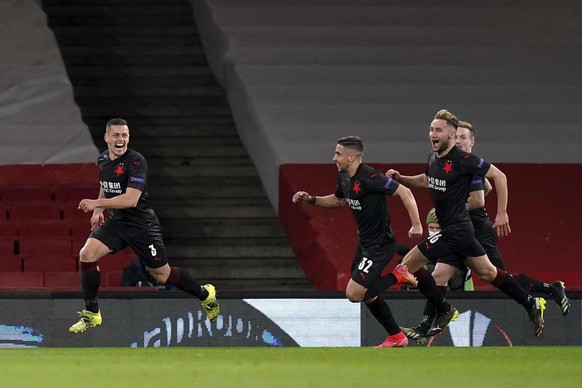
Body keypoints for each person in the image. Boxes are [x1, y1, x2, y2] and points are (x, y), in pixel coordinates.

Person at [402, 121, 570, 344]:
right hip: (457, 229)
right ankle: (424, 328)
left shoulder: (469, 165)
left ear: (471, 142)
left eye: (464, 138)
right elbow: (479, 188)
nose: (460, 141)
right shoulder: (442, 161)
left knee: (497, 276)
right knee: (446, 275)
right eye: (457, 137)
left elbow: (480, 198)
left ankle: (548, 289)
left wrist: (495, 211)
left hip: (475, 228)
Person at [69, 118, 219, 333]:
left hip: (142, 226)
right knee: (87, 254)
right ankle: (92, 313)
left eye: (125, 135)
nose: (121, 139)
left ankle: (205, 295)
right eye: (116, 135)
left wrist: (97, 203)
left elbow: (131, 200)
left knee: (161, 275)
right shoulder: (102, 159)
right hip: (117, 222)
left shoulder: (136, 162)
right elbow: (105, 185)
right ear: (107, 138)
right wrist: (98, 212)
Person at [292, 136, 423, 348]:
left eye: (338, 154)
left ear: (352, 157)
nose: (334, 158)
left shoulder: (371, 176)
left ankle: (398, 275)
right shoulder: (344, 177)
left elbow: (404, 191)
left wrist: (416, 223)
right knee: (367, 294)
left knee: (353, 293)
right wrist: (311, 199)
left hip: (380, 245)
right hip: (364, 243)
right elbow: (337, 201)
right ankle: (397, 336)